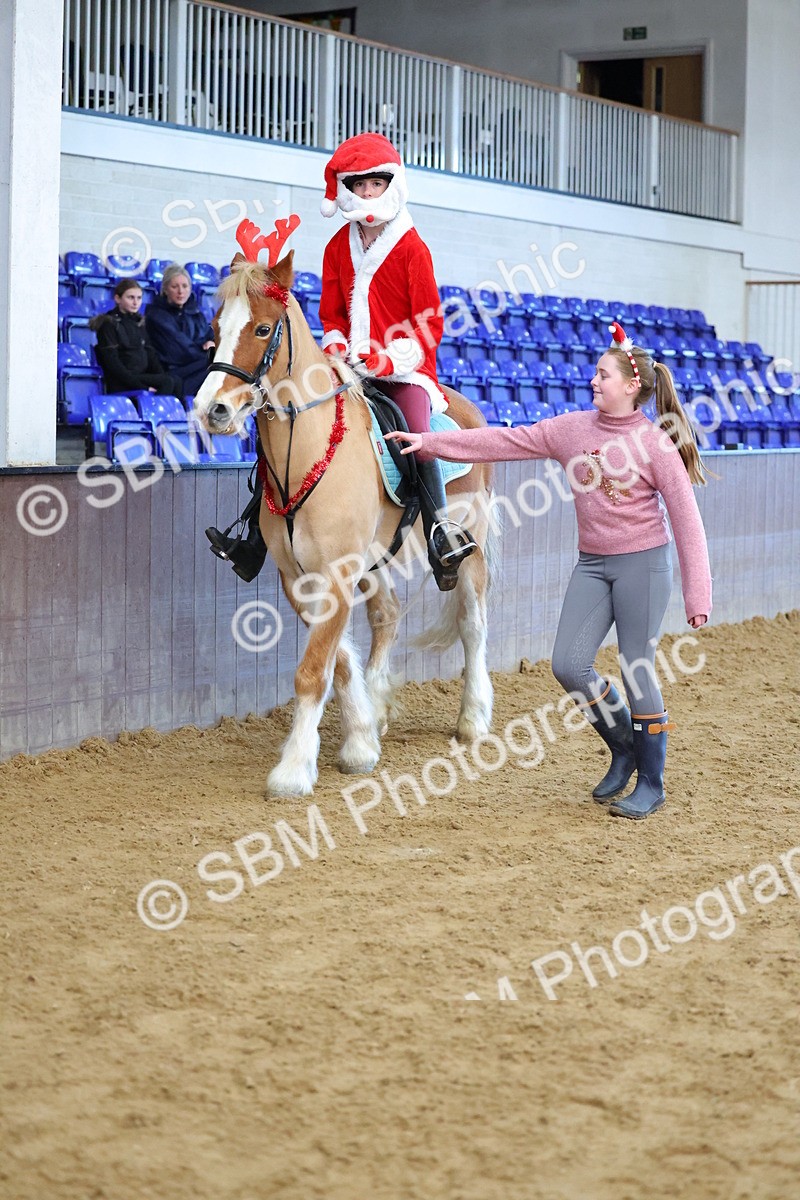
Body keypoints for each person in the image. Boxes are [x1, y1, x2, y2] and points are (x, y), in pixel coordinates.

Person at [387, 322, 713, 820]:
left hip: (643, 566)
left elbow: (688, 521)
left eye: (602, 374)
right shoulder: (572, 429)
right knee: (568, 663)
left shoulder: (656, 445)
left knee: (636, 667)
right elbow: (506, 441)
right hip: (592, 563)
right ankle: (624, 744)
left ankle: (651, 780)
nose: (592, 380)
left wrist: (698, 595)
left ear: (630, 386)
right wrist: (432, 444)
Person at [206, 132, 476, 588]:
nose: (368, 194)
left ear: (390, 186)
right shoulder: (337, 247)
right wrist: (333, 346)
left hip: (403, 371)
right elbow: (330, 314)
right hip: (345, 368)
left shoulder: (413, 249)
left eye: (376, 185)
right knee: (283, 424)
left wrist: (386, 358)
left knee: (416, 434)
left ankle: (440, 531)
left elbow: (429, 324)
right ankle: (254, 533)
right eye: (360, 186)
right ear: (347, 191)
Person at [89, 278, 183, 397]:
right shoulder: (108, 324)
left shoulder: (138, 322)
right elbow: (113, 365)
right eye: (131, 297)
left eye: (139, 298)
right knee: (167, 382)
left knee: (176, 381)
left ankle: (177, 415)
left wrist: (161, 376)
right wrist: (143, 387)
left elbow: (150, 354)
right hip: (121, 381)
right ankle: (156, 414)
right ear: (118, 299)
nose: (135, 302)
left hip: (140, 376)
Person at [144, 263, 215, 397]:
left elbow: (209, 334)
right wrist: (209, 353)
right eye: (174, 286)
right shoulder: (156, 316)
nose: (180, 291)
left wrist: (212, 342)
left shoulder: (194, 311)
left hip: (198, 366)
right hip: (174, 372)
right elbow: (181, 351)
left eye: (184, 286)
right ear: (165, 289)